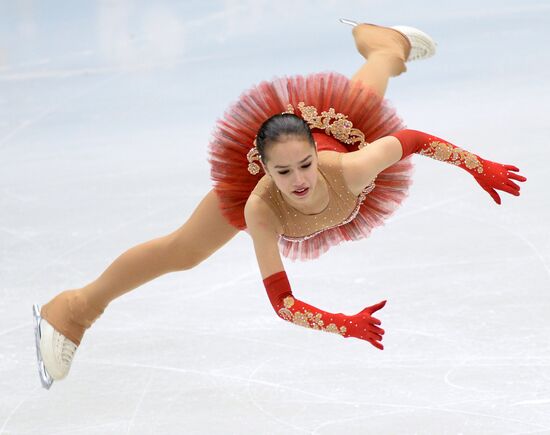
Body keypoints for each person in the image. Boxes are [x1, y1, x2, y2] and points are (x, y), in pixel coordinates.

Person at [32, 20, 526, 390]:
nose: (299, 182)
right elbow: (283, 304)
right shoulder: (260, 209)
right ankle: (74, 309)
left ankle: (384, 46)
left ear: (315, 156)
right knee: (184, 251)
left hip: (338, 145)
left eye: (304, 166)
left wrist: (479, 166)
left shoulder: (351, 167)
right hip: (293, 161)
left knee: (356, 107)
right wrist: (343, 324)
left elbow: (412, 139)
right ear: (263, 169)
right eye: (283, 173)